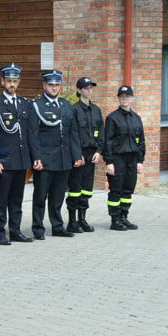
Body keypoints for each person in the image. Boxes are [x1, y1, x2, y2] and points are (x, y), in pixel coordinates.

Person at [28, 70, 84, 239]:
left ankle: (57, 226)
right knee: (40, 196)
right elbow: (33, 134)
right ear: (44, 86)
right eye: (50, 85)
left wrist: (77, 155)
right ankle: (38, 228)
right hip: (45, 159)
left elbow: (73, 133)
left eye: (56, 85)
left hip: (63, 158)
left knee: (58, 196)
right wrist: (36, 157)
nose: (54, 88)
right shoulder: (36, 105)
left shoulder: (66, 105)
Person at [0, 63, 33, 245]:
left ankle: (15, 230)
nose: (12, 84)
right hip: (5, 161)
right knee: (1, 200)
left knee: (17, 199)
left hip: (21, 160)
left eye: (15, 81)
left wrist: (31, 158)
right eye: (8, 81)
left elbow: (28, 132)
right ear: (2, 82)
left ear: (19, 82)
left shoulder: (24, 103)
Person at [104, 85, 145, 231]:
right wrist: (109, 162)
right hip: (117, 159)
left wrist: (140, 160)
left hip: (132, 159)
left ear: (132, 98)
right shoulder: (112, 118)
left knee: (128, 190)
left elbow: (141, 140)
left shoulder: (136, 118)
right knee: (116, 189)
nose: (124, 99)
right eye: (121, 96)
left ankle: (124, 217)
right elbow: (107, 141)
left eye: (127, 96)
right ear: (118, 98)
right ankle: (115, 220)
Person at [66, 77, 104, 233]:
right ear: (79, 90)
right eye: (86, 88)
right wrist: (76, 155)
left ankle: (82, 219)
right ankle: (72, 221)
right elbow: (70, 135)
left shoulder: (96, 110)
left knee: (87, 190)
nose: (89, 91)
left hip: (91, 154)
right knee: (75, 189)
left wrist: (99, 151)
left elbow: (101, 132)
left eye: (91, 88)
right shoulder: (73, 110)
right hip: (78, 154)